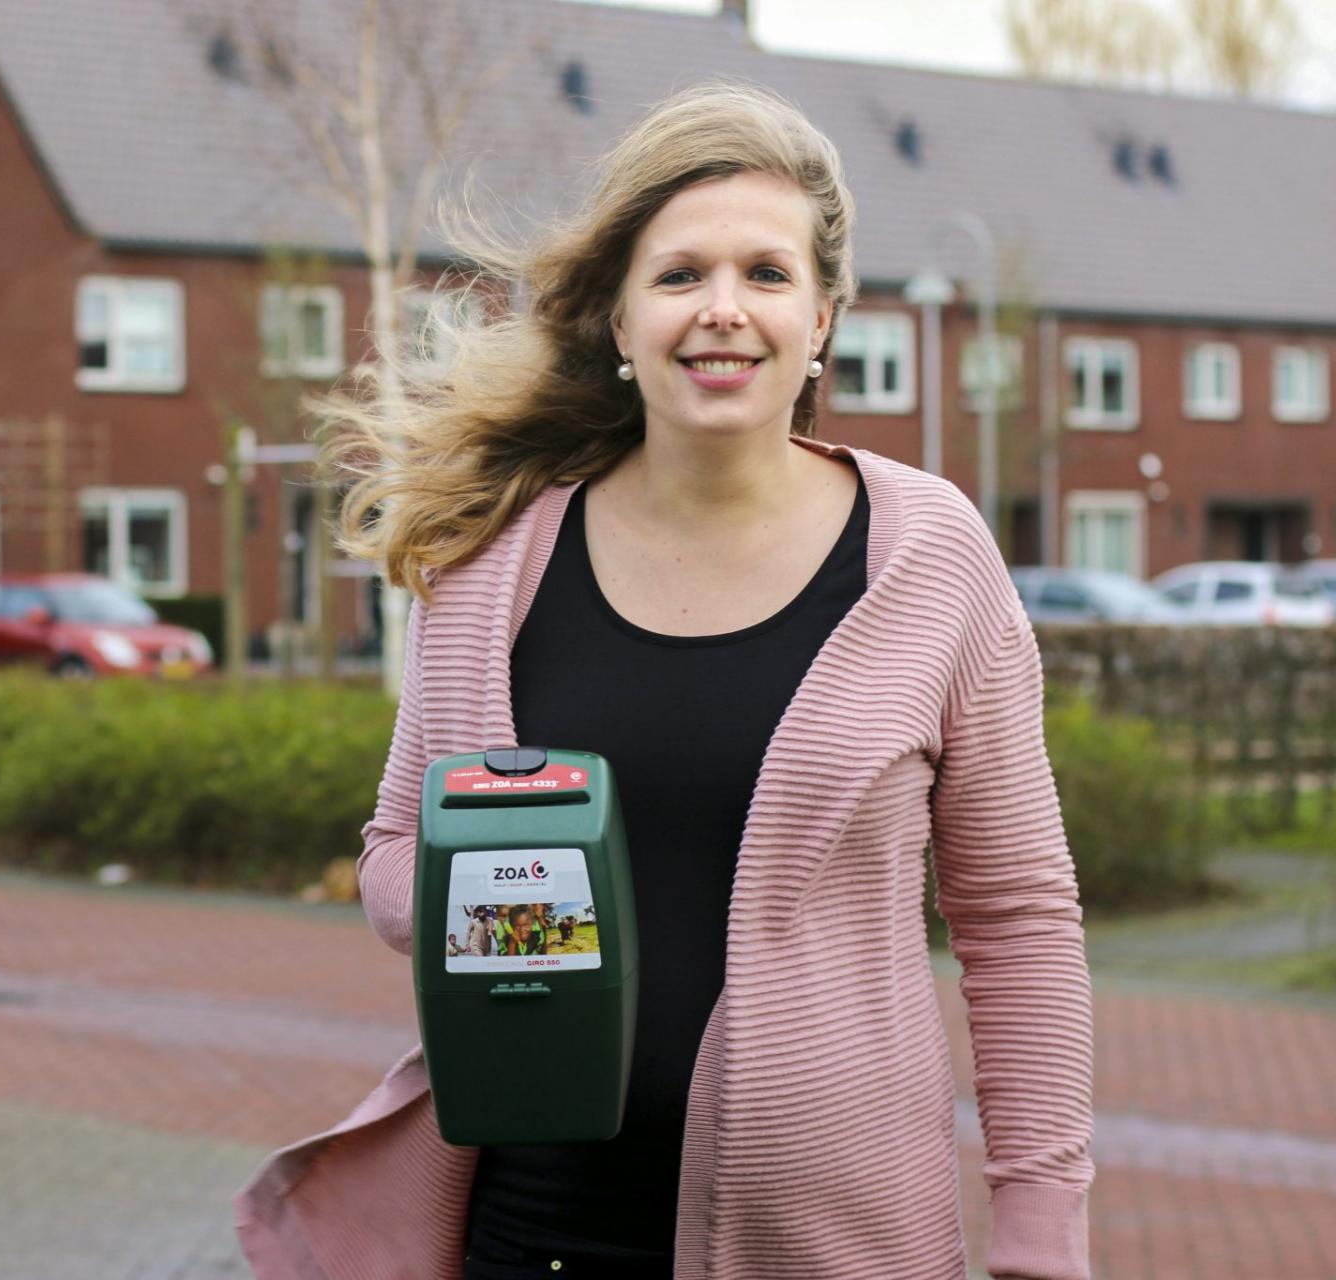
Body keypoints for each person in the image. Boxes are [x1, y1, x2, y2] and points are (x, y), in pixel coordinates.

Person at [236, 81, 1093, 1280]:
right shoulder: (493, 561)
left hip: (835, 1245)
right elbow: (390, 854)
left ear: (823, 317)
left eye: (766, 273)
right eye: (681, 274)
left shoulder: (930, 556)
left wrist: (1042, 1222)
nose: (723, 309)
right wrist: (506, 890)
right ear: (621, 321)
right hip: (533, 1235)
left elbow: (1016, 914)